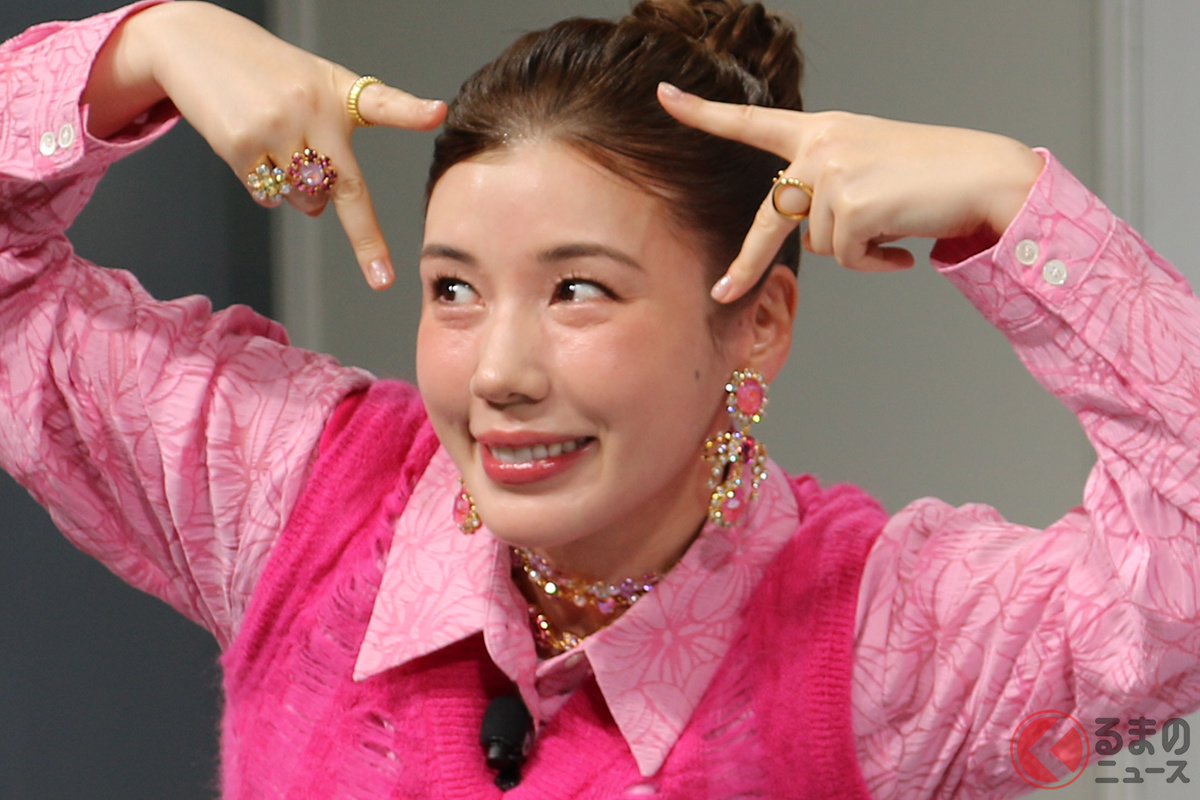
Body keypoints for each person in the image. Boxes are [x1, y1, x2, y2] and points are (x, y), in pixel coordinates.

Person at [3, 1, 1199, 798]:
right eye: (454, 289)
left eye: (579, 289)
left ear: (759, 322)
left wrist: (1013, 202)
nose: (499, 372)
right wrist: (146, 48)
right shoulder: (291, 489)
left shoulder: (884, 644)